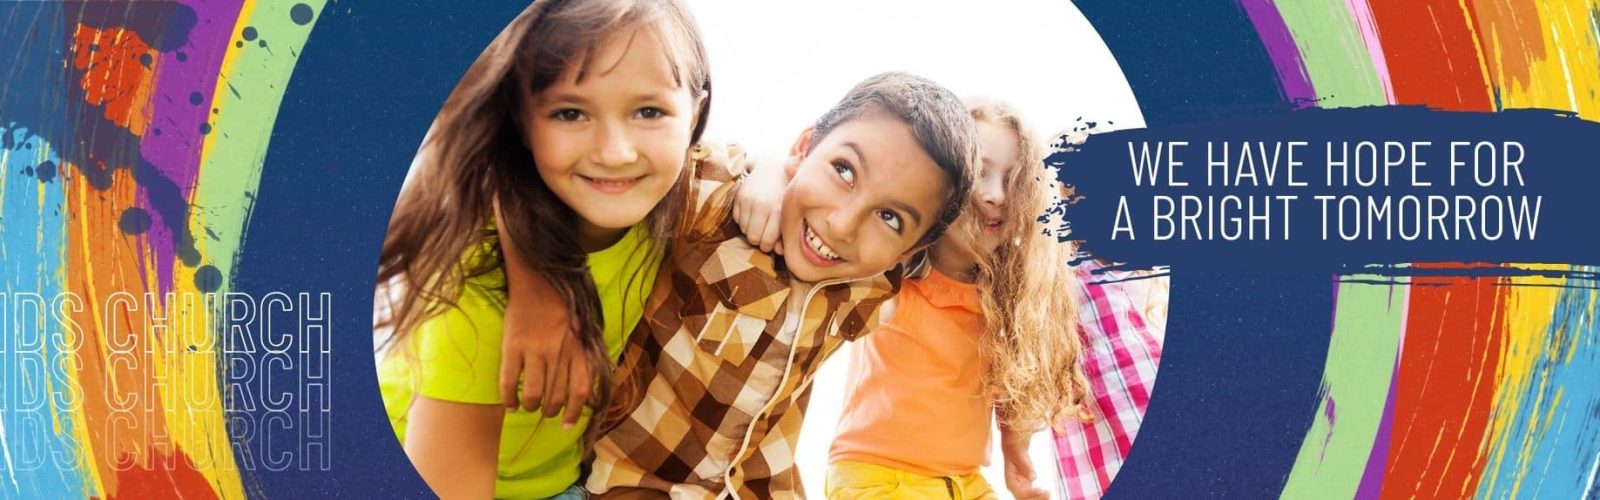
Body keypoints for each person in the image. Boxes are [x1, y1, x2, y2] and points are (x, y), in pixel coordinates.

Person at [568, 72, 979, 498]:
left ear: (907, 253)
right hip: (636, 479)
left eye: (889, 217)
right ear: (804, 147)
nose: (842, 224)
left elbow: (976, 265)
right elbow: (678, 150)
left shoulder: (868, 290)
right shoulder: (717, 209)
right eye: (844, 170)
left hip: (758, 486)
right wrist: (761, 166)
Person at [372, 0, 712, 497]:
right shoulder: (474, 283)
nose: (615, 152)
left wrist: (769, 178)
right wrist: (534, 279)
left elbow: (749, 168)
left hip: (565, 480)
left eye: (649, 111)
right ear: (521, 121)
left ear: (694, 113)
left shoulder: (678, 198)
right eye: (570, 112)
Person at [739, 99, 1092, 499]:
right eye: (981, 174)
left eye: (1014, 181)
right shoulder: (888, 279)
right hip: (878, 479)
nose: (996, 195)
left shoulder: (1005, 301)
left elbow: (1008, 383)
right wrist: (769, 172)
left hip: (966, 482)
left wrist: (1015, 455)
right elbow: (802, 187)